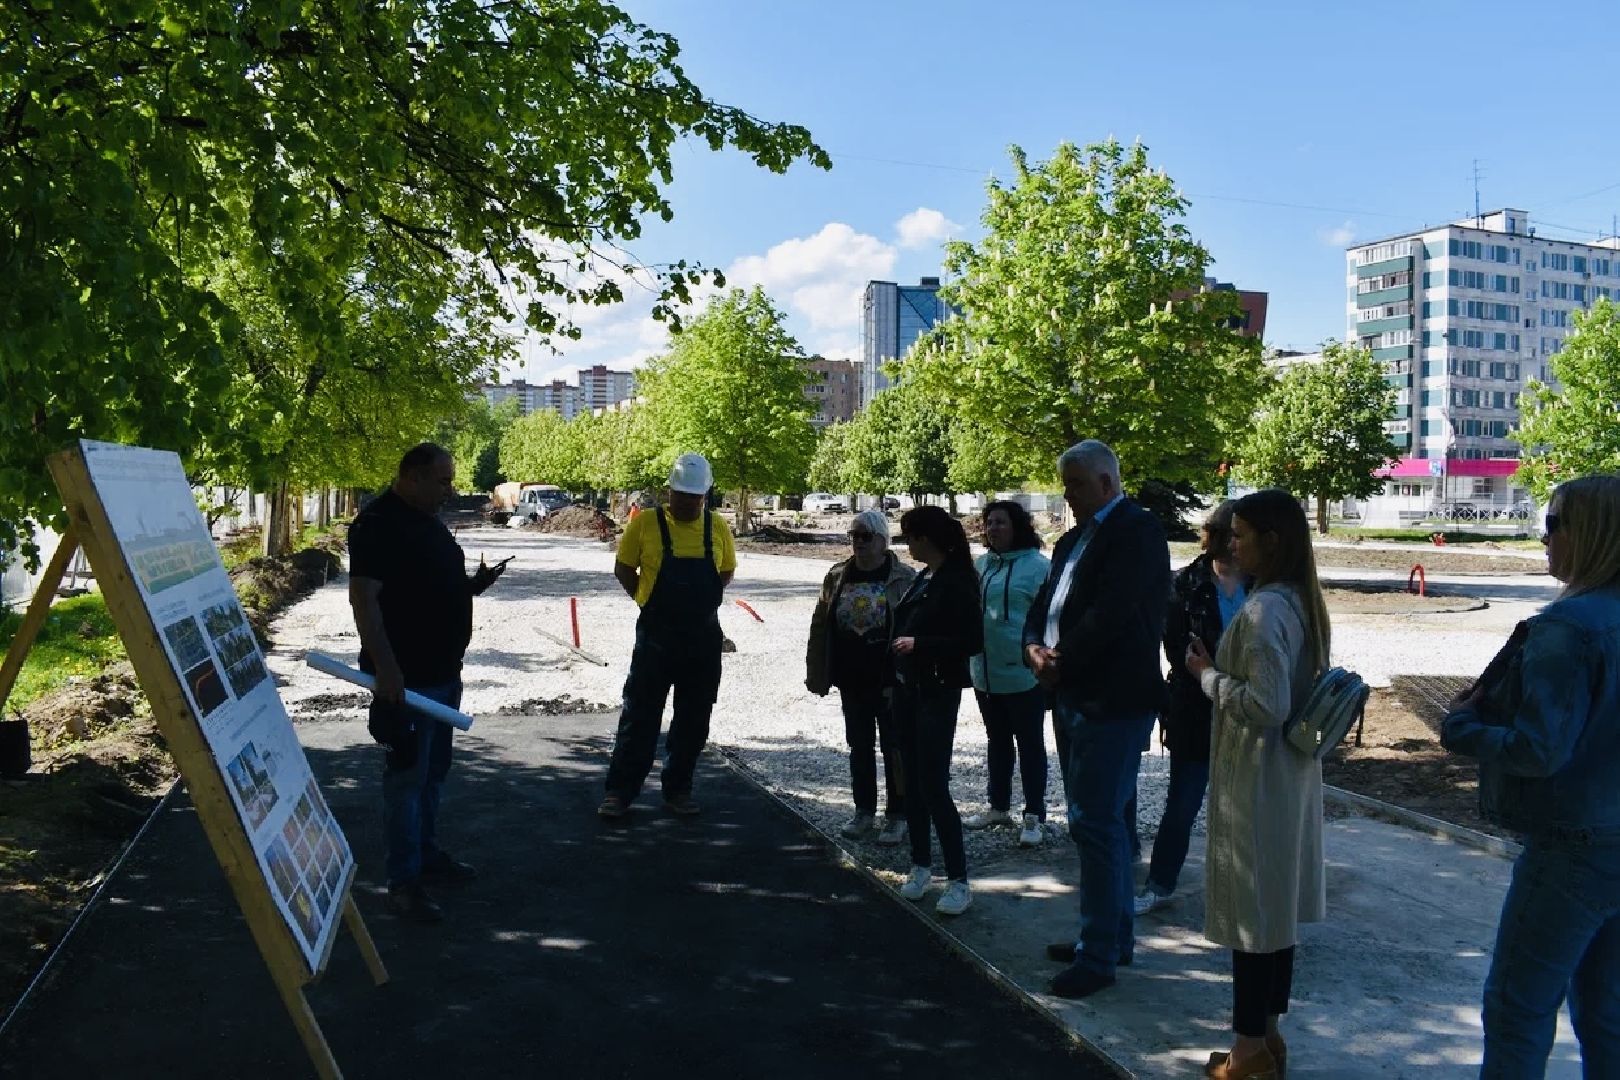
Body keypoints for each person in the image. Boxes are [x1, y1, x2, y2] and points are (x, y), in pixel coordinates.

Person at [1442, 474, 1620, 1079]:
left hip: (1570, 849)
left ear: (1590, 536)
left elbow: (1538, 751)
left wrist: (1461, 729)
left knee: (1518, 1008)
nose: (1544, 540)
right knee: (1606, 1013)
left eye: (1553, 526)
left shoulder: (1567, 630)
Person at [1185, 488, 1328, 1080]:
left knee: (1253, 917)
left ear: (1272, 541)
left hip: (1258, 776)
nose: (1230, 543)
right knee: (1275, 915)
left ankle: (1247, 1052)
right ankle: (1268, 1038)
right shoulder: (1298, 600)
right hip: (1288, 776)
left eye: (1240, 534)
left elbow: (1266, 704)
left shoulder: (1266, 609)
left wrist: (1207, 675)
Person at [1024, 440, 1170, 998]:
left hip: (1110, 701)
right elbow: (1044, 605)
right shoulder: (1071, 539)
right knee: (1109, 824)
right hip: (1073, 696)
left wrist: (1060, 662)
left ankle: (1099, 954)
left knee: (1096, 824)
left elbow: (1111, 612)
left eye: (1076, 484)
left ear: (1107, 483)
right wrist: (1033, 647)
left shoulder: (1137, 531)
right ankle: (1112, 937)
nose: (1066, 494)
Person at [349, 442, 508, 923]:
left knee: (434, 773)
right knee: (406, 780)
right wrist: (387, 669)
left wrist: (474, 585)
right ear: (412, 477)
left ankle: (426, 854)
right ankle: (404, 883)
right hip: (408, 681)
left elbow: (434, 585)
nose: (450, 489)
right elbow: (365, 602)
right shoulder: (377, 524)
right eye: (442, 481)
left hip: (443, 674)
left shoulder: (429, 521)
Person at [598, 452, 735, 819]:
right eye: (682, 495)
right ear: (669, 491)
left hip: (702, 639)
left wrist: (700, 605)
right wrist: (646, 599)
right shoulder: (644, 525)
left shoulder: (717, 527)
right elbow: (624, 568)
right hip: (657, 636)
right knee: (639, 715)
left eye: (696, 496)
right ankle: (619, 793)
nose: (689, 502)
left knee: (693, 718)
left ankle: (679, 789)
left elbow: (725, 572)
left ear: (705, 494)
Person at [1136, 500, 1249, 916]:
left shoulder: (1263, 584)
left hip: (1245, 710)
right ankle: (1159, 884)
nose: (1238, 544)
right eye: (1233, 534)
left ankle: (1241, 886)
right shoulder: (1184, 584)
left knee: (1243, 808)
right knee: (1182, 805)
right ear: (1217, 535)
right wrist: (1213, 675)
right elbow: (1176, 649)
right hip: (1196, 710)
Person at [890, 505, 983, 917]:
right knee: (911, 780)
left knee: (933, 784)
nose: (907, 544)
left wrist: (920, 645)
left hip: (938, 691)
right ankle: (921, 865)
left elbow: (972, 640)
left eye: (911, 536)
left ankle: (959, 879)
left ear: (927, 539)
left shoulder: (958, 581)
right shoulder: (925, 578)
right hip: (910, 690)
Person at [806, 508, 916, 844]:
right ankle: (863, 811)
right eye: (853, 536)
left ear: (883, 540)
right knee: (859, 747)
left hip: (889, 680)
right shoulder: (837, 575)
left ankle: (898, 815)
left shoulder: (903, 578)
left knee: (894, 747)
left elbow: (912, 628)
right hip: (851, 678)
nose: (858, 543)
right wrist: (817, 671)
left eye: (865, 536)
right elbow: (820, 625)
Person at [966, 500, 1051, 848]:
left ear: (1018, 526)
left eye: (1000, 522)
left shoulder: (1039, 567)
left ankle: (1034, 814)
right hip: (985, 673)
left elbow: (1050, 619)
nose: (993, 528)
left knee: (1030, 745)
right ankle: (998, 806)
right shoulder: (981, 565)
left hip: (1024, 676)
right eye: (989, 523)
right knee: (997, 742)